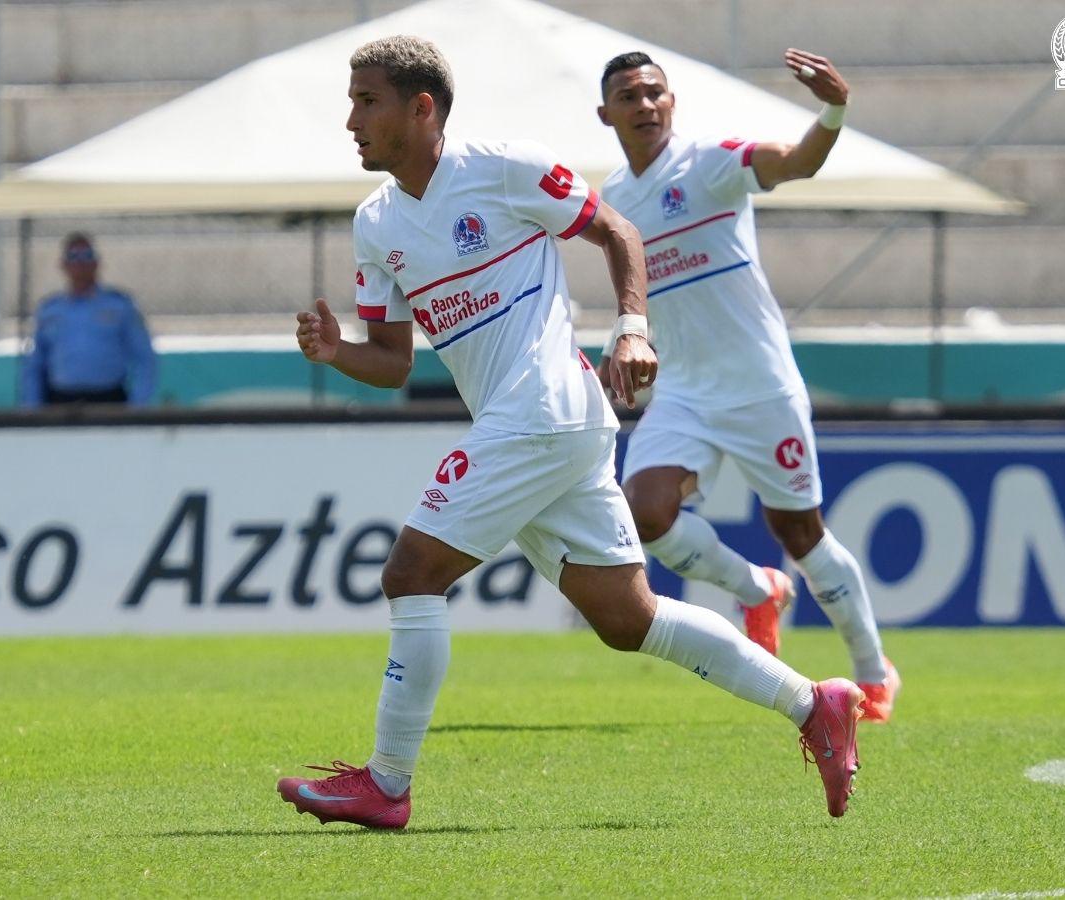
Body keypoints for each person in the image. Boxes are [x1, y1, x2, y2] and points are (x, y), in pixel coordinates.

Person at [278, 36, 866, 830]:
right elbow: (390, 361)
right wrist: (334, 353)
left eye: (366, 101)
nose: (351, 119)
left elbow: (617, 231)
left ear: (422, 109)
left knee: (411, 572)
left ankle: (386, 783)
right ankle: (815, 703)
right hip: (538, 426)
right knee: (629, 619)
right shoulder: (375, 223)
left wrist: (633, 327)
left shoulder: (505, 167)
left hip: (545, 407)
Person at [595, 50, 899, 721]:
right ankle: (755, 590)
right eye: (629, 96)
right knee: (642, 512)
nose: (645, 105)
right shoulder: (614, 199)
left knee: (801, 535)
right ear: (605, 114)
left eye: (654, 92)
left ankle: (874, 673)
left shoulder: (708, 162)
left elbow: (798, 162)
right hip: (684, 391)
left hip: (760, 385)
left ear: (671, 102)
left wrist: (834, 109)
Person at [21, 233, 157, 407]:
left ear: (97, 262)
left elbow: (144, 358)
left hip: (109, 401)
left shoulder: (119, 306)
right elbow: (34, 365)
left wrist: (137, 405)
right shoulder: (50, 310)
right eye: (73, 256)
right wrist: (32, 407)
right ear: (63, 265)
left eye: (86, 255)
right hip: (60, 402)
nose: (80, 263)